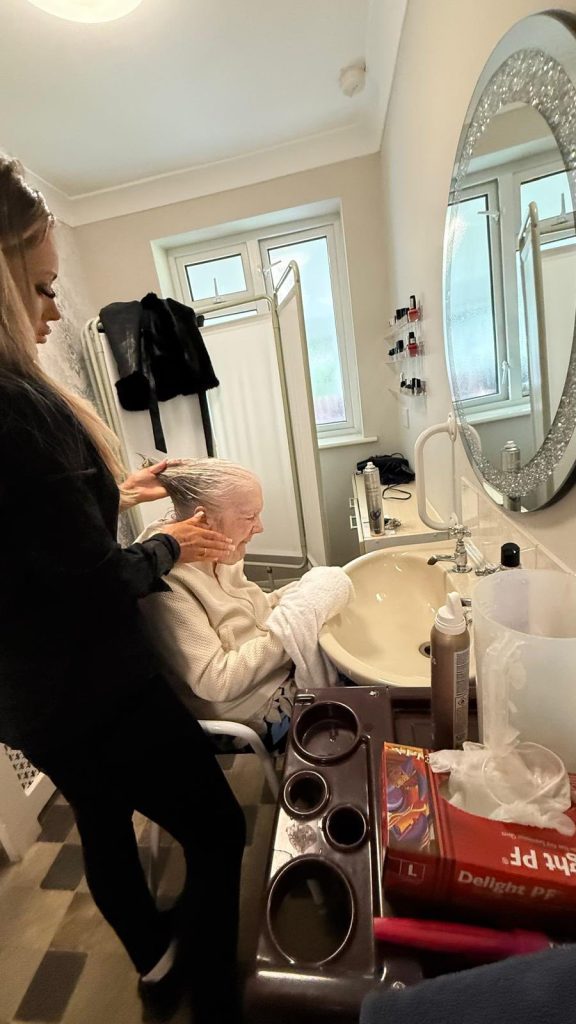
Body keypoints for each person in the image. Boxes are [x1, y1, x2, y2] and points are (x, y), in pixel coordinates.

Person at [0, 156, 246, 1024]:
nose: (56, 310)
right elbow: (96, 588)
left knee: (101, 822)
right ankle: (218, 1002)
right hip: (93, 691)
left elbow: (33, 543)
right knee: (219, 830)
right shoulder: (15, 411)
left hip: (27, 700)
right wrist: (170, 542)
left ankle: (154, 961)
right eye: (40, 288)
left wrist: (116, 492)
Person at [137, 458, 353, 750]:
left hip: (276, 674)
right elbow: (216, 681)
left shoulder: (218, 547)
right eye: (250, 516)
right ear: (203, 520)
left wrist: (301, 594)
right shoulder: (166, 586)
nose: (260, 527)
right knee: (364, 707)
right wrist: (290, 630)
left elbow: (254, 610)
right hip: (254, 711)